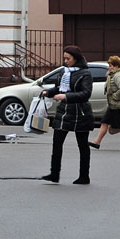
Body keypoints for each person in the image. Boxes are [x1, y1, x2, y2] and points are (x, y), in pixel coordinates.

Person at [40, 45, 94, 185]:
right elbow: (60, 87)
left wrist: (65, 97)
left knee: (82, 145)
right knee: (57, 143)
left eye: (68, 58)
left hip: (80, 112)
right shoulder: (65, 72)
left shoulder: (85, 73)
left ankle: (84, 176)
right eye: (64, 58)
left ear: (76, 59)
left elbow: (86, 94)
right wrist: (49, 92)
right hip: (63, 112)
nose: (65, 61)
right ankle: (54, 173)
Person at [89, 55, 120, 151]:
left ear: (116, 66)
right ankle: (97, 142)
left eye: (111, 65)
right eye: (109, 65)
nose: (109, 67)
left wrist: (115, 96)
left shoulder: (118, 75)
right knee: (104, 122)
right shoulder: (111, 75)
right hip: (113, 105)